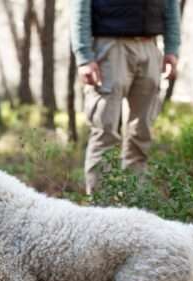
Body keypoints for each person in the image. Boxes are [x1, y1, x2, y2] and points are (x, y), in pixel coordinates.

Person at [70, 0, 181, 194]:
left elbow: (170, 4)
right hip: (110, 46)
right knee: (105, 131)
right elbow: (80, 5)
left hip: (150, 47)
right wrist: (84, 56)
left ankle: (134, 203)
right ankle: (100, 210)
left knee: (141, 134)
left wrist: (172, 49)